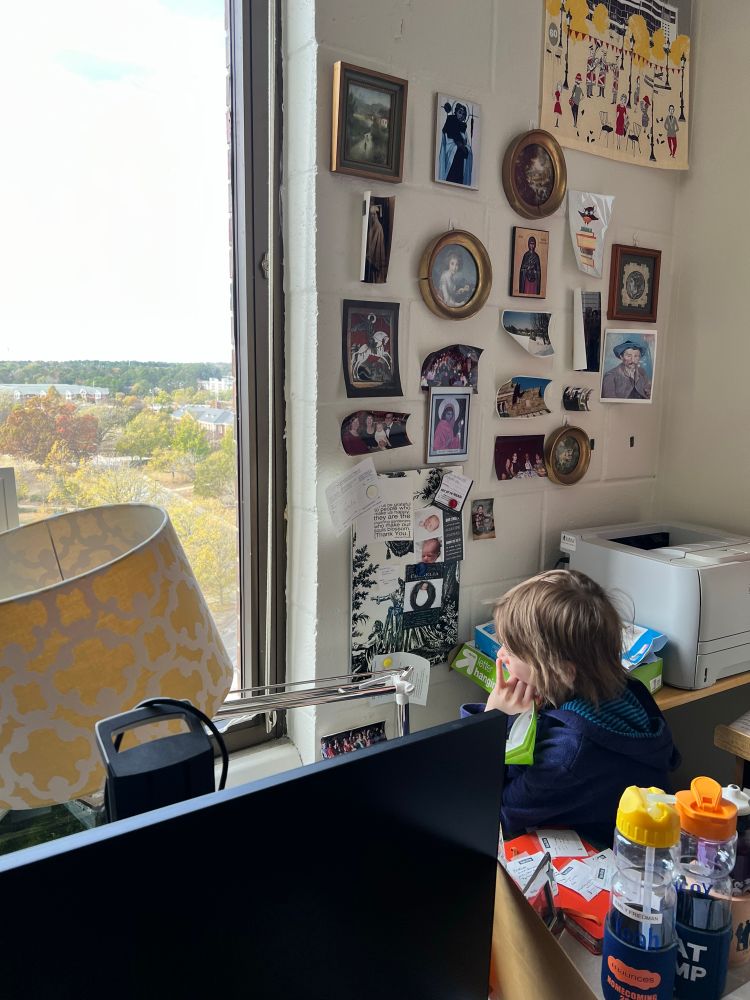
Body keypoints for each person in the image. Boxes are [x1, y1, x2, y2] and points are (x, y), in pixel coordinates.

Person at [461, 570, 680, 843]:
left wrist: (495, 721)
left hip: (602, 866)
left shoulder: (569, 756)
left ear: (562, 672)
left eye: (512, 650)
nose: (501, 654)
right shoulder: (626, 689)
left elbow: (499, 813)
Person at [438, 101, 473, 185]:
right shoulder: (450, 123)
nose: (461, 115)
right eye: (460, 112)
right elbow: (447, 142)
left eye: (463, 114)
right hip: (452, 159)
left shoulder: (463, 130)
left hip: (460, 162)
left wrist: (466, 149)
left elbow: (467, 146)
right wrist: (458, 146)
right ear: (455, 112)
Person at [365, 203, 387, 282]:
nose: (372, 217)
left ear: (377, 215)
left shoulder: (378, 226)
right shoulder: (373, 225)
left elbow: (375, 242)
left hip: (374, 257)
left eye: (374, 214)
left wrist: (368, 254)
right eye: (371, 215)